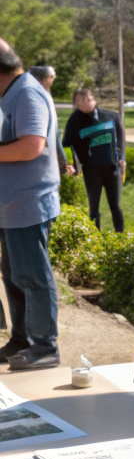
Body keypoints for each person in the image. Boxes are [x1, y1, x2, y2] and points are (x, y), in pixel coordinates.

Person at [0, 44, 61, 369]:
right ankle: (22, 339)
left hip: (28, 203)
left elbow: (31, 145)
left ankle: (45, 347)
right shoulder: (14, 91)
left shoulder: (26, 93)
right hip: (12, 206)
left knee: (33, 277)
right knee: (14, 275)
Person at [62, 87, 126, 232]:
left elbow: (121, 138)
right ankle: (95, 237)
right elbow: (66, 145)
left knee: (115, 205)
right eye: (79, 100)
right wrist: (70, 164)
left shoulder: (111, 117)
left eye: (87, 99)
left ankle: (120, 236)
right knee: (94, 208)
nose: (84, 103)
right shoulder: (74, 121)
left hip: (112, 169)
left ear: (93, 100)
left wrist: (122, 159)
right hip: (91, 170)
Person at [28, 65, 75, 177]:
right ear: (45, 78)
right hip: (40, 153)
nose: (53, 80)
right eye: (52, 77)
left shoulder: (40, 94)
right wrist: (62, 160)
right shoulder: (38, 97)